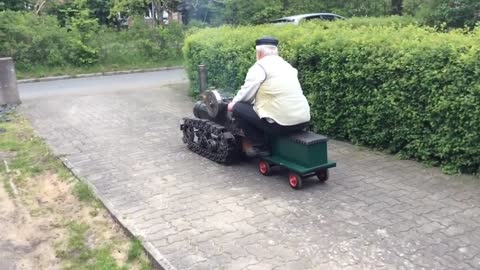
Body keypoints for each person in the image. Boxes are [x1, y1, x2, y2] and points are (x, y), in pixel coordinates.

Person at [227, 36, 311, 157]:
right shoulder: (288, 66)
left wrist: (232, 104)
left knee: (238, 108)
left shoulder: (259, 67)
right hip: (303, 121)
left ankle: (260, 147)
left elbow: (246, 93)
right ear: (276, 52)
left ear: (259, 52)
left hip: (281, 125)